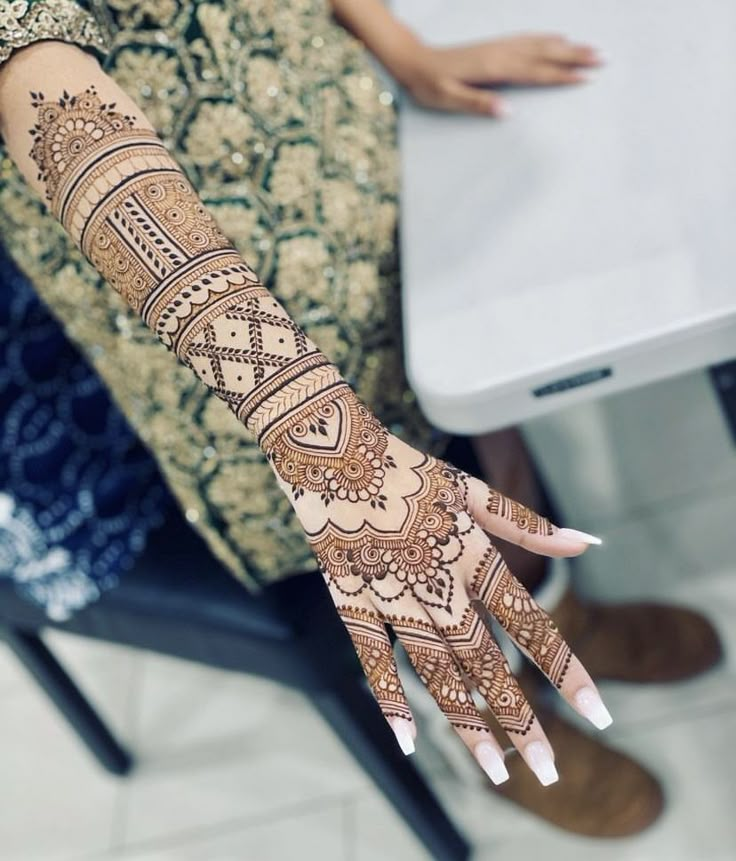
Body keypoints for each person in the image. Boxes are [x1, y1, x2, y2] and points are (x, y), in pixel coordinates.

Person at [0, 0, 721, 838]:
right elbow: (37, 76)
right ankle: (492, 718)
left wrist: (398, 46)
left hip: (347, 159)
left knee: (477, 426)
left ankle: (561, 618)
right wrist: (316, 428)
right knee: (376, 539)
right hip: (218, 315)